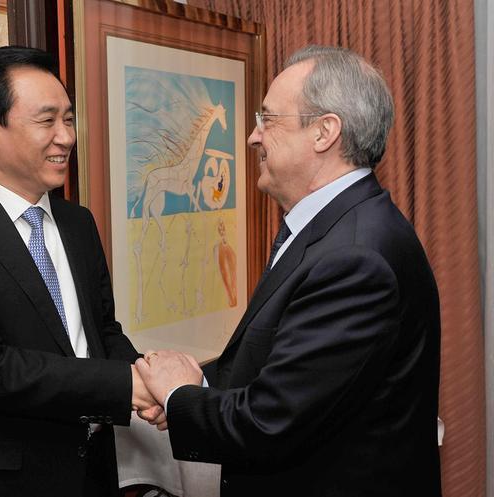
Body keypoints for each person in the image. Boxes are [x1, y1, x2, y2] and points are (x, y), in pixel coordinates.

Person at [136, 45, 442, 497]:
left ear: (324, 132)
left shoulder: (355, 258)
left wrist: (179, 396)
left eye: (268, 119)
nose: (252, 137)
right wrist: (195, 386)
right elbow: (280, 363)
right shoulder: (338, 227)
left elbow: (269, 423)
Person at [0, 46, 159, 497]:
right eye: (46, 120)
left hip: (94, 473)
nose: (65, 137)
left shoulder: (78, 223)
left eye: (69, 119)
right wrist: (123, 385)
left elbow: (101, 332)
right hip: (2, 483)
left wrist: (148, 377)